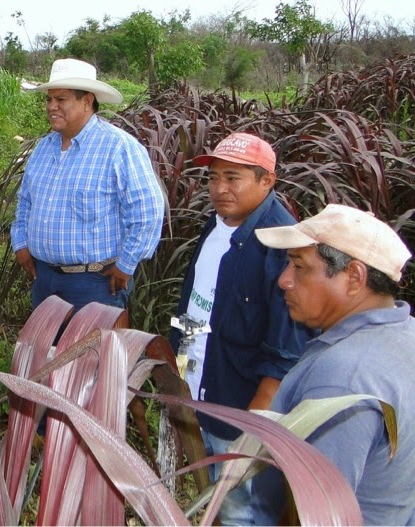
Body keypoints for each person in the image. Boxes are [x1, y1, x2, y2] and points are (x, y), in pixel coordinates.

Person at [170, 132, 312, 525]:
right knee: (216, 498)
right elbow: (195, 301)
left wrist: (255, 428)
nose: (219, 189)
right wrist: (179, 367)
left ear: (267, 180)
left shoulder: (282, 245)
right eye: (213, 178)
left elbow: (286, 350)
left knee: (243, 510)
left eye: (233, 178)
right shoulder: (215, 226)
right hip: (202, 387)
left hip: (241, 407)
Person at [252, 204, 414, 525]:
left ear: (353, 277)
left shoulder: (344, 377)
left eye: (299, 266)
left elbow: (318, 514)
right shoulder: (403, 335)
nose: (284, 280)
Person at [10, 58, 164, 313]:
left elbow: (147, 212)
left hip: (95, 283)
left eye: (61, 99)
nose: (51, 107)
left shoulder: (119, 148)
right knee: (48, 351)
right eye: (49, 100)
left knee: (91, 352)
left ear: (87, 101)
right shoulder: (43, 148)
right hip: (45, 278)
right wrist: (21, 243)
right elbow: (25, 201)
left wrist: (126, 264)